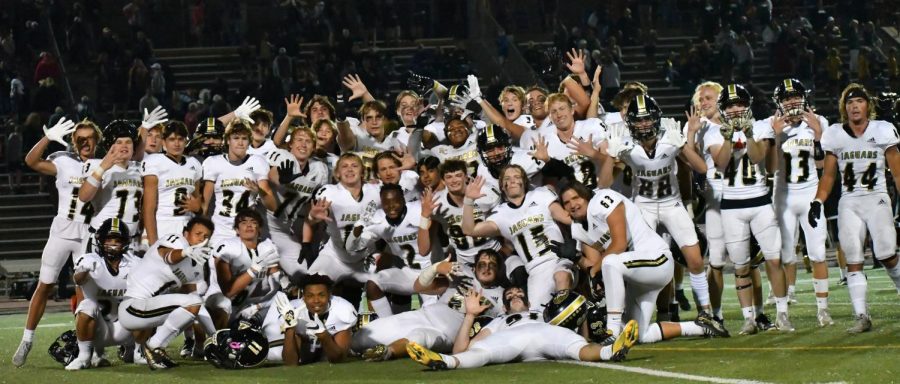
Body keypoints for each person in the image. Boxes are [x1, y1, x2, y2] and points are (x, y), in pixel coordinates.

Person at [596, 94, 719, 328]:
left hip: (672, 204)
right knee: (658, 265)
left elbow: (701, 168)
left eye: (647, 119)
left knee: (695, 260)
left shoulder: (669, 138)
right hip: (643, 208)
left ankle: (706, 312)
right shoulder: (625, 143)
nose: (644, 125)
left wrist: (683, 144)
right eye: (639, 120)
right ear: (630, 122)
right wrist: (610, 157)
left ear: (656, 119)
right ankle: (660, 314)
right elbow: (603, 184)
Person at [808, 84, 900, 333]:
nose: (854, 106)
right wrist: (817, 201)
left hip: (877, 197)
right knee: (853, 259)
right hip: (849, 201)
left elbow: (898, 171)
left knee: (887, 254)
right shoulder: (835, 134)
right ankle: (861, 315)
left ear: (867, 105)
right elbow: (828, 176)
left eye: (859, 101)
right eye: (849, 102)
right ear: (844, 107)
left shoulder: (882, 130)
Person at [704, 84, 792, 334]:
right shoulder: (713, 132)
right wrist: (728, 136)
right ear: (723, 108)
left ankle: (783, 314)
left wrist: (748, 133)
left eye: (739, 104)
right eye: (730, 105)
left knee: (774, 260)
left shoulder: (761, 126)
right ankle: (749, 319)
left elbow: (756, 158)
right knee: (741, 266)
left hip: (760, 201)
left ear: (748, 105)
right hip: (731, 206)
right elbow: (720, 164)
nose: (735, 109)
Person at [14, 118, 96, 367]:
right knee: (46, 284)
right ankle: (27, 338)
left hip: (88, 233)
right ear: (73, 141)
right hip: (62, 230)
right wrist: (47, 138)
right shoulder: (63, 161)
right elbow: (30, 162)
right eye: (79, 138)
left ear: (97, 141)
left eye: (89, 137)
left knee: (85, 291)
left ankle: (87, 349)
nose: (84, 142)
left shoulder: (104, 163)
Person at [405, 286, 639, 370]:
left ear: (528, 301)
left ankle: (611, 351)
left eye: (519, 294)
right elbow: (461, 349)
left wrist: (582, 316)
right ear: (505, 306)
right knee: (479, 353)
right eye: (510, 295)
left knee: (577, 346)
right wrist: (469, 315)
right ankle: (442, 362)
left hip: (544, 332)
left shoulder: (544, 314)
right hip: (510, 338)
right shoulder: (498, 321)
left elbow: (579, 334)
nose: (515, 295)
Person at [353, 249, 506, 361]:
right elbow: (420, 287)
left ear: (499, 270)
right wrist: (435, 268)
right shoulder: (463, 273)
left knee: (419, 338)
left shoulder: (502, 295)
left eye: (492, 265)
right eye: (482, 264)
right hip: (424, 315)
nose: (486, 268)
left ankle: (387, 352)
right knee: (362, 337)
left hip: (445, 334)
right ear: (474, 267)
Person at [765, 79, 833, 327]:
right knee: (784, 256)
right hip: (782, 197)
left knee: (817, 254)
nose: (792, 101)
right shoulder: (770, 125)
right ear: (779, 103)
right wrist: (775, 136)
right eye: (786, 98)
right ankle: (782, 312)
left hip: (809, 195)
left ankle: (823, 310)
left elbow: (823, 165)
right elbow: (770, 168)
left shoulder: (819, 122)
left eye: (795, 96)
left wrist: (818, 137)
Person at [462, 165, 572, 310]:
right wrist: (469, 200)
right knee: (538, 318)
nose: (512, 181)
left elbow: (569, 219)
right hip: (535, 271)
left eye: (517, 177)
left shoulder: (541, 195)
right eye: (507, 178)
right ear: (502, 186)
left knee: (562, 284)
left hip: (558, 259)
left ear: (524, 182)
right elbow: (469, 229)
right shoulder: (500, 214)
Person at [118, 216, 215, 370]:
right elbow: (168, 256)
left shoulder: (195, 263)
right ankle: (154, 346)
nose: (201, 239)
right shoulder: (176, 240)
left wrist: (215, 335)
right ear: (186, 233)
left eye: (206, 236)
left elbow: (195, 302)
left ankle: (139, 349)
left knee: (193, 303)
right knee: (191, 303)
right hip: (132, 307)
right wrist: (185, 252)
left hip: (148, 314)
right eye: (198, 234)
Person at [346, 184, 436, 317]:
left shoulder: (420, 209)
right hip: (408, 273)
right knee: (373, 284)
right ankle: (389, 323)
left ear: (404, 200)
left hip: (432, 272)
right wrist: (358, 227)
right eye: (386, 203)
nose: (391, 206)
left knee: (432, 314)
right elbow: (352, 247)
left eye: (395, 201)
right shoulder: (378, 220)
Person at [65, 218, 135, 370]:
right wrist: (83, 270)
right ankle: (84, 356)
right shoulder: (90, 260)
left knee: (144, 303)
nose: (113, 244)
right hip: (98, 330)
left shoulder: (134, 263)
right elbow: (78, 280)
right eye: (109, 239)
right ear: (100, 241)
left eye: (117, 240)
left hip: (126, 328)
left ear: (125, 242)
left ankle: (136, 350)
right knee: (87, 305)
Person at [264, 127, 329, 280]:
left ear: (313, 147)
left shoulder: (319, 170)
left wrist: (306, 242)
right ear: (290, 144)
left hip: (286, 231)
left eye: (308, 141)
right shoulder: (283, 157)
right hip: (264, 228)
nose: (304, 144)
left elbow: (310, 209)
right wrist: (282, 180)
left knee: (304, 276)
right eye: (299, 140)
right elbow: (272, 175)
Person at [305, 154, 380, 285]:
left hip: (367, 257)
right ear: (337, 174)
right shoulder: (329, 191)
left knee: (387, 284)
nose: (350, 169)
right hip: (335, 257)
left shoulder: (376, 191)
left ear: (362, 172)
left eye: (354, 166)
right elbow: (320, 213)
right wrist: (313, 216)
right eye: (344, 166)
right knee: (312, 284)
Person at [201, 120, 275, 245]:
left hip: (247, 229)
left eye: (244, 138)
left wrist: (259, 191)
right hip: (220, 229)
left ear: (249, 141)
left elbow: (273, 206)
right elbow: (205, 205)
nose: (240, 142)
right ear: (228, 140)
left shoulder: (258, 162)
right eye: (236, 138)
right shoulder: (213, 162)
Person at [206, 209, 281, 329]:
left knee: (283, 300)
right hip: (218, 300)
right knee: (224, 304)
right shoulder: (227, 246)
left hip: (245, 302)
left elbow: (277, 280)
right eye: (243, 222)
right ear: (237, 230)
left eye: (253, 222)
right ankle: (218, 343)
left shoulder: (267, 246)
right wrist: (255, 269)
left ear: (260, 229)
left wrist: (284, 282)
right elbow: (228, 292)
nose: (249, 225)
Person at [79, 120, 144, 255]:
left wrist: (145, 128)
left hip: (130, 240)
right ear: (109, 145)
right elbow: (84, 196)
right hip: (103, 237)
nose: (124, 146)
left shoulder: (140, 168)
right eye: (119, 142)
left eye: (128, 142)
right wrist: (103, 167)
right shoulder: (96, 164)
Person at [264, 274, 357, 365]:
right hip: (305, 344)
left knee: (328, 357)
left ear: (329, 295)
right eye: (310, 296)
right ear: (303, 297)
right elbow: (290, 363)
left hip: (330, 342)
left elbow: (338, 360)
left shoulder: (343, 310)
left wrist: (324, 336)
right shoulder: (293, 310)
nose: (316, 300)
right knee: (275, 353)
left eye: (321, 295)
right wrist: (289, 328)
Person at [141, 121, 203, 246]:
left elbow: (197, 201)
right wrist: (153, 243)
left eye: (180, 139)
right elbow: (148, 209)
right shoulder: (155, 162)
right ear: (164, 142)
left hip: (187, 225)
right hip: (162, 224)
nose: (176, 143)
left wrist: (198, 208)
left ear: (186, 141)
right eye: (172, 139)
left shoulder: (194, 164)